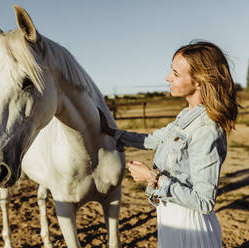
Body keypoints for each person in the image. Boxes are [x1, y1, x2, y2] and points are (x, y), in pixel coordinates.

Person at [99, 41, 239, 248]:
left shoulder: (207, 129)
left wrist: (151, 178)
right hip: (171, 216)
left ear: (199, 81)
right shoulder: (186, 115)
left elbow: (205, 201)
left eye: (175, 73)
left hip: (191, 226)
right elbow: (153, 139)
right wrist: (112, 133)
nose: (167, 78)